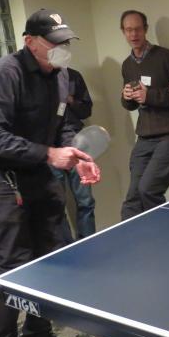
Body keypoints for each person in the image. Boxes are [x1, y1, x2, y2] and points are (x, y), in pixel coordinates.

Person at [0, 9, 100, 337]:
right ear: (31, 42)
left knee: (53, 256)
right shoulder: (6, 72)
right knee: (15, 266)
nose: (63, 49)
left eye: (66, 42)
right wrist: (48, 154)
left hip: (36, 170)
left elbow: (63, 126)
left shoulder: (61, 77)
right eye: (55, 42)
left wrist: (78, 152)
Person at [119, 10, 169, 220]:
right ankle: (129, 243)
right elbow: (129, 105)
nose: (134, 34)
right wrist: (127, 96)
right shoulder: (127, 64)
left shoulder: (166, 57)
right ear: (123, 32)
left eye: (138, 29)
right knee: (132, 197)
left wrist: (149, 95)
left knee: (148, 190)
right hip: (144, 136)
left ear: (146, 29)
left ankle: (163, 235)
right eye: (129, 30)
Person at [51, 67, 96, 240]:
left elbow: (86, 111)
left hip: (75, 141)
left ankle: (89, 243)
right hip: (49, 147)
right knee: (56, 204)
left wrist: (71, 100)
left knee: (85, 201)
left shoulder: (74, 75)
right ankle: (65, 248)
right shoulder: (33, 80)